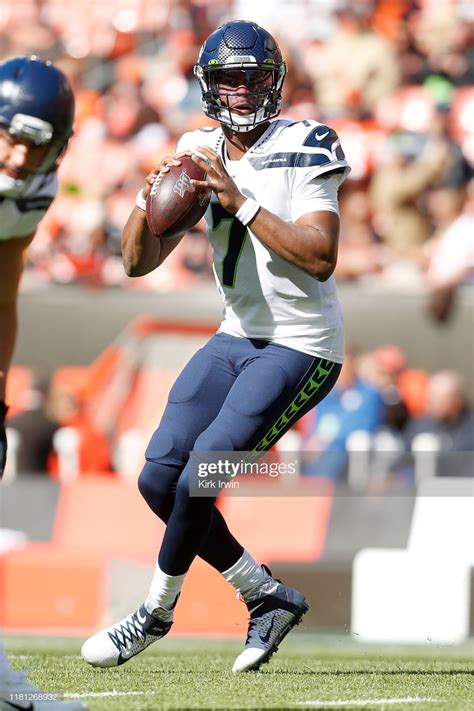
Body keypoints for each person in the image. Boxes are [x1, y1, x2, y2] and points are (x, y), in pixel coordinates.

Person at [82, 20, 350, 674]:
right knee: (158, 476)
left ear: (276, 82)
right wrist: (146, 208)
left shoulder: (307, 144)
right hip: (235, 336)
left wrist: (243, 203)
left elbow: (320, 257)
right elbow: (137, 262)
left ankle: (154, 610)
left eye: (255, 78)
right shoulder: (196, 146)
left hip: (301, 343)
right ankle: (264, 593)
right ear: (208, 86)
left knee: (202, 468)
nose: (242, 91)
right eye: (230, 79)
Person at [0, 56, 87, 711]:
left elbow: (3, 292)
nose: (17, 154)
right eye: (8, 135)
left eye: (33, 143)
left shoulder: (33, 186)